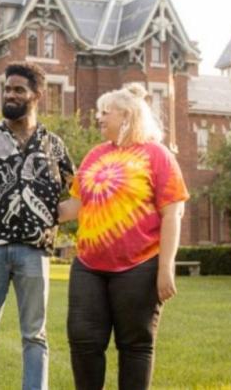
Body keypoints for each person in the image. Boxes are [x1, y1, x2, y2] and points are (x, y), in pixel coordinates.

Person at [58, 83, 189, 390]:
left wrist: (165, 268)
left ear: (127, 116)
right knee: (83, 341)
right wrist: (31, 205)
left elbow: (173, 213)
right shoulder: (94, 155)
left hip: (139, 265)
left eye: (106, 112)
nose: (99, 118)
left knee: (134, 345)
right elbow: (75, 206)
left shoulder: (157, 155)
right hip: (89, 265)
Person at [0, 62, 74, 390]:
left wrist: (56, 218)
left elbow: (81, 190)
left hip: (34, 252)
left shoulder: (54, 146)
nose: (10, 95)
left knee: (35, 336)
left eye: (18, 90)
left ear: (36, 95)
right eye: (7, 89)